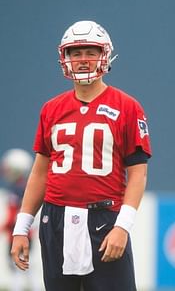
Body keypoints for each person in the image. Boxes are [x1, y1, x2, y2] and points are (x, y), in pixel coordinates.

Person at [10, 20, 152, 291]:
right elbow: (40, 171)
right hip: (56, 220)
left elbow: (138, 173)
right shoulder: (51, 109)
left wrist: (122, 226)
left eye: (91, 52)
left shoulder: (127, 106)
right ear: (65, 58)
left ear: (105, 55)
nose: (83, 60)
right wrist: (21, 227)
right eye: (76, 53)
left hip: (104, 217)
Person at [1, 148, 42, 291]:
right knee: (27, 268)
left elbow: (14, 214)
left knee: (17, 268)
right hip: (26, 234)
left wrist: (5, 227)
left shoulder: (17, 190)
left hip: (18, 235)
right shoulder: (26, 187)